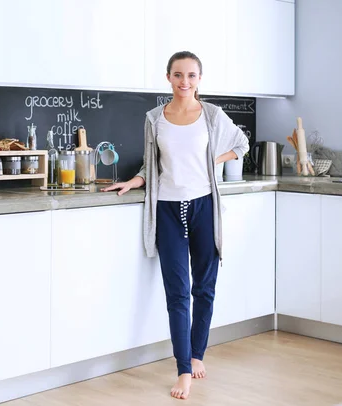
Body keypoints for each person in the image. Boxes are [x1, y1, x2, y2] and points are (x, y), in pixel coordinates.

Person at [103, 51, 249, 400]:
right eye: (179, 75)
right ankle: (184, 368)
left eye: (192, 76)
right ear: (168, 77)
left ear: (200, 79)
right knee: (178, 294)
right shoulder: (155, 118)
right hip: (167, 209)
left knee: (205, 288)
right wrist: (133, 182)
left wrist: (214, 157)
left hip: (204, 206)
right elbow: (151, 164)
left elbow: (241, 144)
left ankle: (198, 354)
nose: (185, 82)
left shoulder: (212, 116)